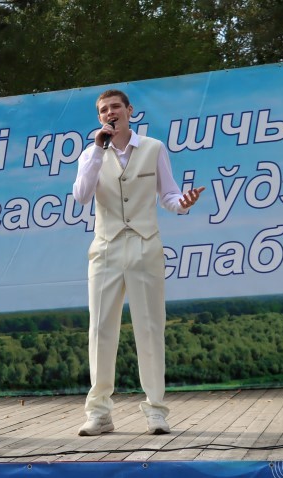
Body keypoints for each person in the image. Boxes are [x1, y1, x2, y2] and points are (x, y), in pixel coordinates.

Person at [72, 89, 204, 436]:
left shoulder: (153, 148)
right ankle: (99, 413)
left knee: (149, 328)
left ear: (130, 111)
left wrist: (183, 203)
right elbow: (81, 195)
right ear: (99, 117)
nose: (110, 113)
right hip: (106, 248)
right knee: (101, 329)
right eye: (104, 110)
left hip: (145, 246)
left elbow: (169, 194)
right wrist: (97, 151)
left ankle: (156, 409)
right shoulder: (91, 153)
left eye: (115, 106)